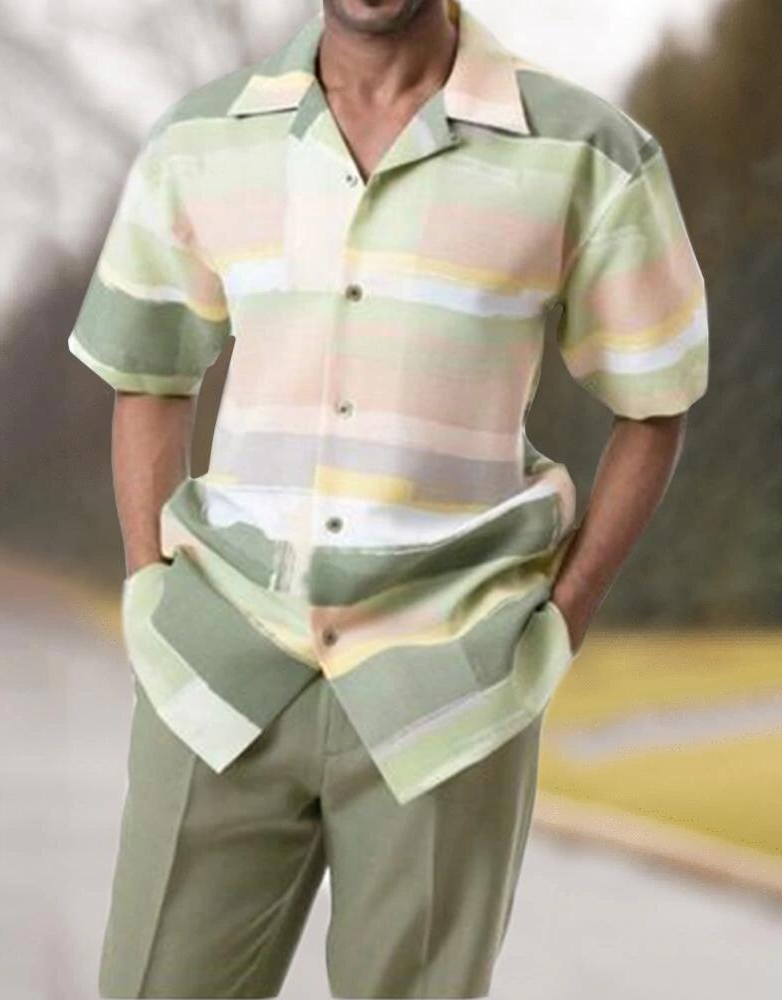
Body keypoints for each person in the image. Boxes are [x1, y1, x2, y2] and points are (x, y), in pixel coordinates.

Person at [68, 0, 709, 996]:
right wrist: (152, 587)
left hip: (450, 679)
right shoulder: (199, 140)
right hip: (219, 668)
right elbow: (146, 374)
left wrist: (562, 617)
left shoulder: (589, 154)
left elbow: (655, 401)